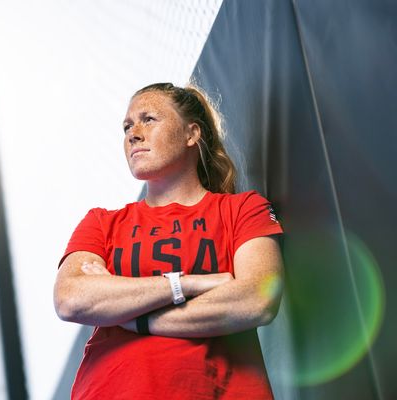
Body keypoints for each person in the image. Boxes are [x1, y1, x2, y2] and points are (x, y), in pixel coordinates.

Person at [54, 82, 284, 399]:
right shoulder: (102, 222)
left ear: (192, 134)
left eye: (148, 119)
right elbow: (72, 298)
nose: (133, 134)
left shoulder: (243, 210)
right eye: (126, 126)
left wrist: (135, 317)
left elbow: (257, 299)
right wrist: (187, 284)